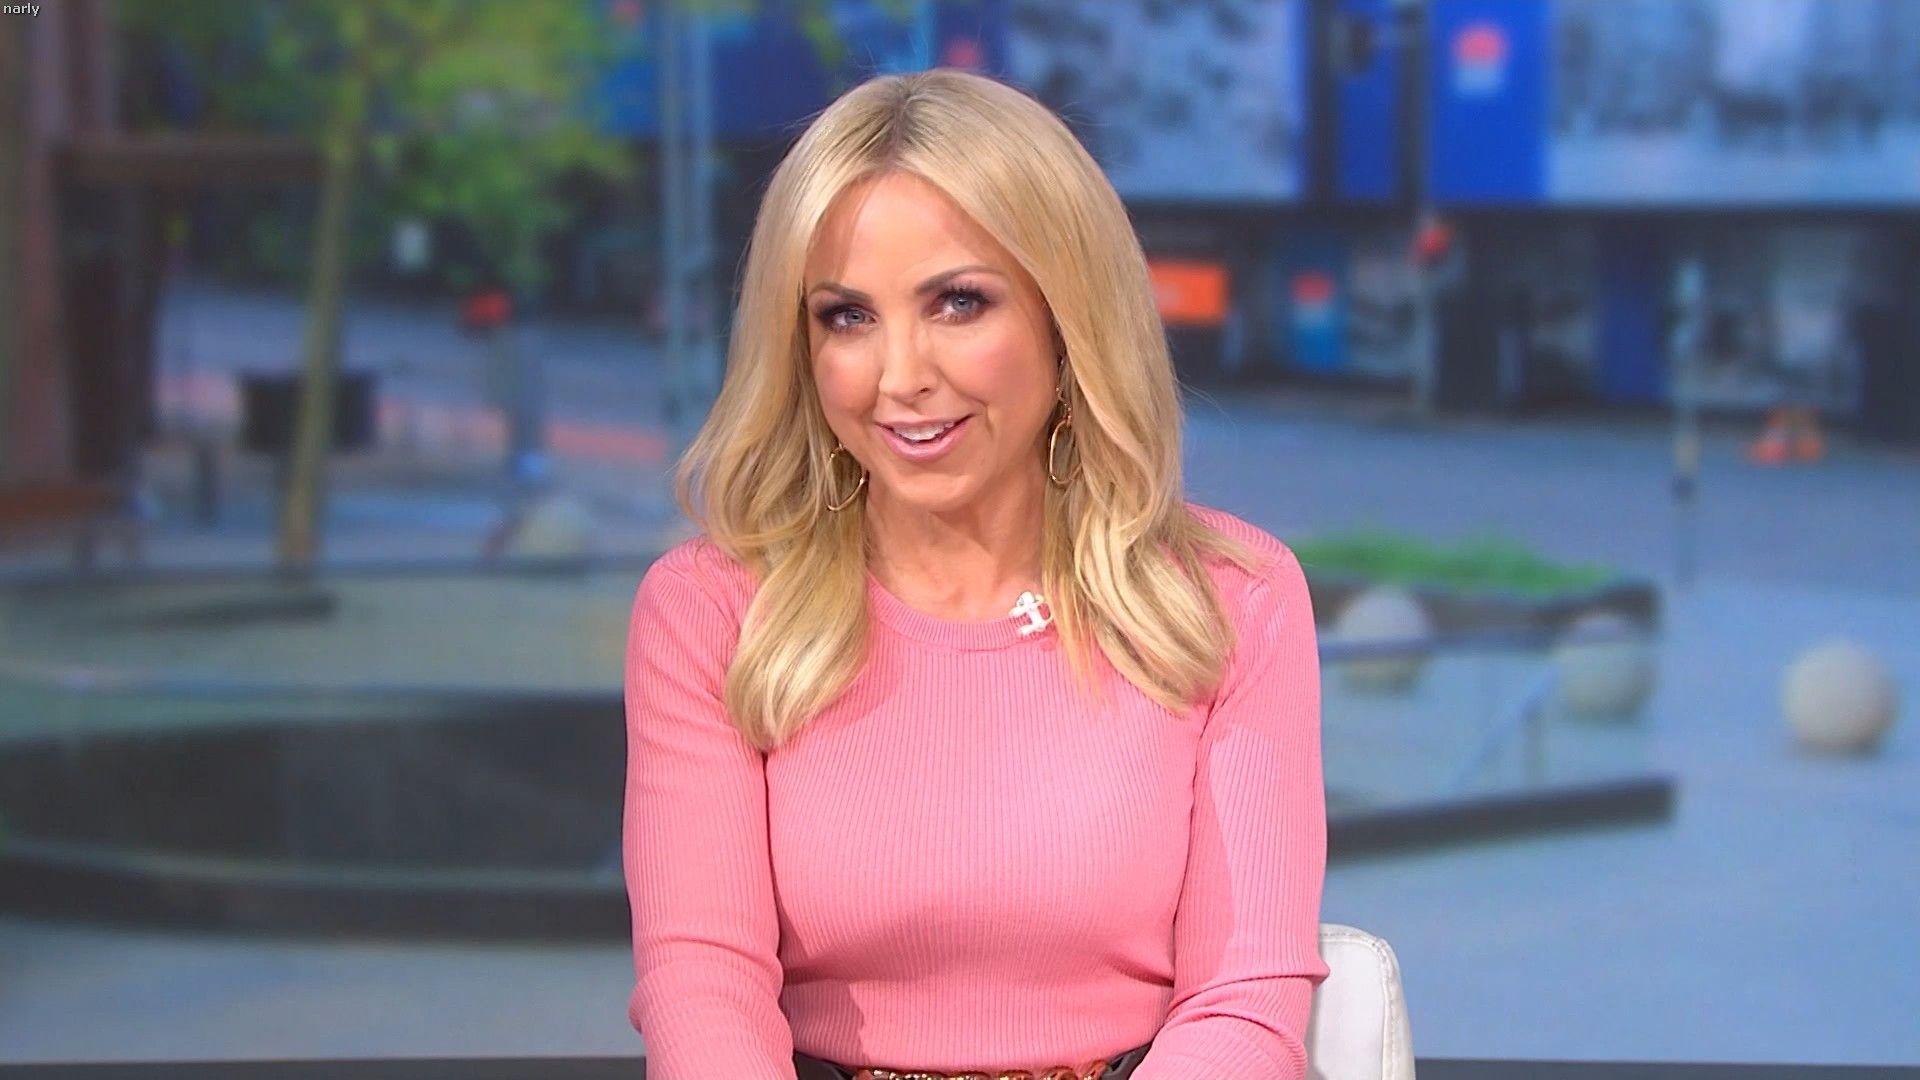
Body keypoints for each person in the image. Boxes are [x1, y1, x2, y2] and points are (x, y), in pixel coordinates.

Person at [623, 69, 1330, 1080]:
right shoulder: (710, 610)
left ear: (1067, 317)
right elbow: (702, 985)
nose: (901, 375)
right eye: (847, 317)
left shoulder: (1231, 599)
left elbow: (1244, 1001)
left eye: (958, 303)